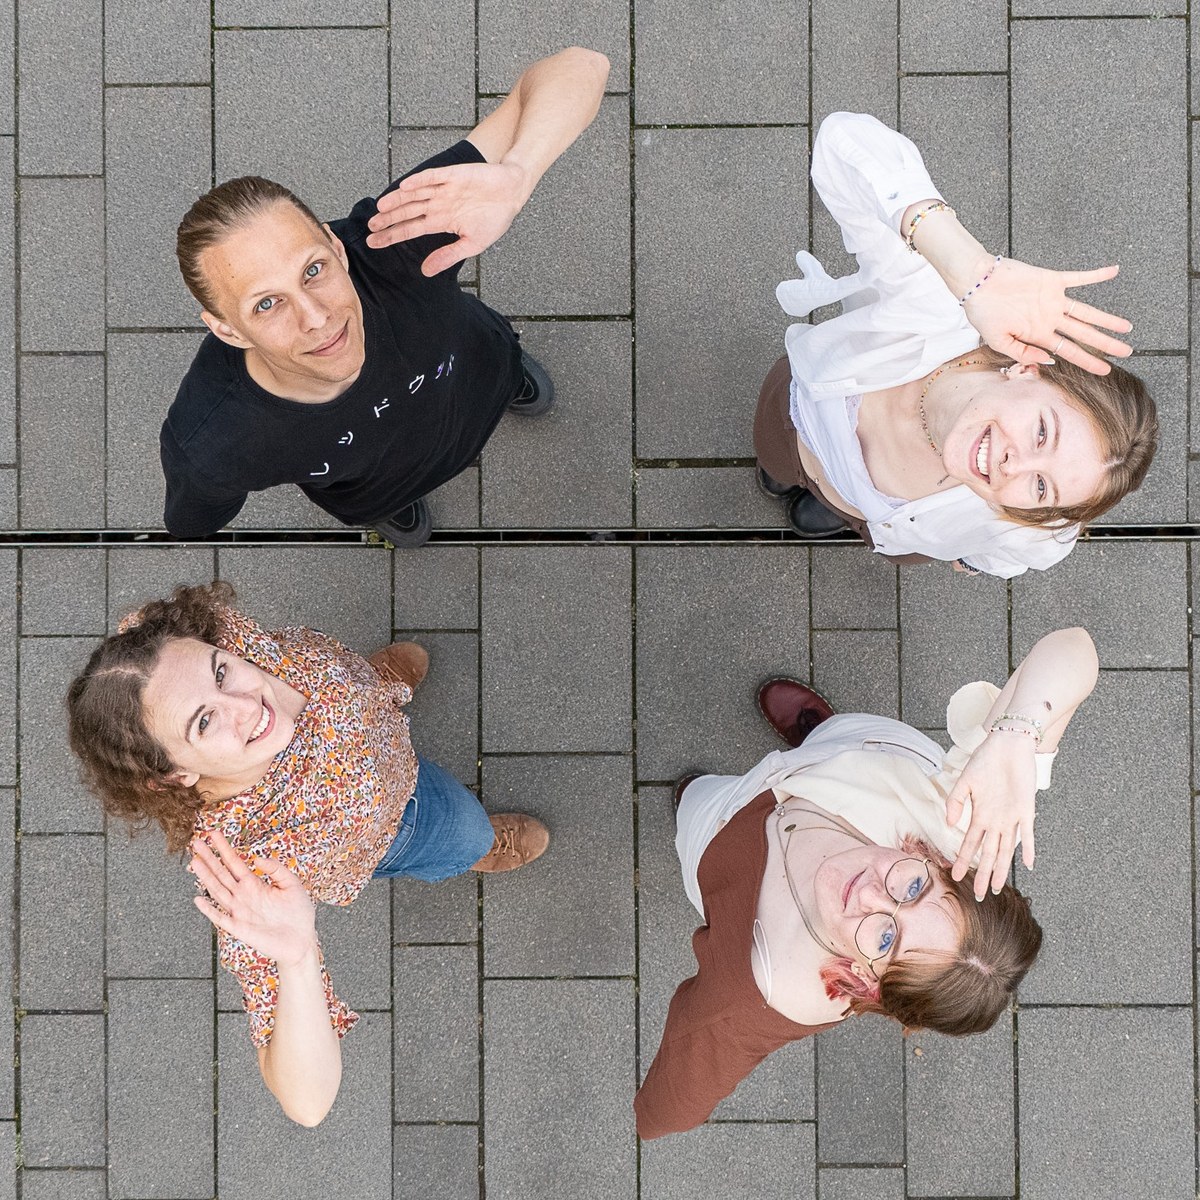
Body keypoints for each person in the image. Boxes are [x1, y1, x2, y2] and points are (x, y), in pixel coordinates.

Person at [66, 583, 549, 1126]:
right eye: (204, 721)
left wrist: (358, 691)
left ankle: (378, 685)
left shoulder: (178, 650)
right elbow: (307, 1103)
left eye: (222, 672)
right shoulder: (243, 866)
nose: (249, 706)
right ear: (174, 774)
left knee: (351, 683)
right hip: (401, 819)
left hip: (364, 712)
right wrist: (297, 956)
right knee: (463, 831)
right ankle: (474, 849)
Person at [634, 626, 1098, 1139]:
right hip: (864, 749)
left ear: (867, 979)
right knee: (839, 738)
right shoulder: (967, 826)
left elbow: (668, 1108)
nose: (872, 894)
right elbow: (1076, 650)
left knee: (701, 803)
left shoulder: (763, 990)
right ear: (942, 864)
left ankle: (696, 799)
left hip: (726, 829)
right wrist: (1015, 735)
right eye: (915, 888)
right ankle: (820, 734)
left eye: (886, 939)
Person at [161, 47, 610, 547]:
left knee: (496, 374)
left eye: (313, 269)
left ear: (337, 247)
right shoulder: (211, 441)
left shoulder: (390, 241)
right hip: (377, 488)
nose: (316, 317)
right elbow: (192, 522)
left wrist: (518, 173)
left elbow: (582, 66)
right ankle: (393, 508)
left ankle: (509, 382)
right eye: (266, 304)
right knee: (383, 495)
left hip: (479, 375)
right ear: (226, 329)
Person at [756, 112, 1157, 577]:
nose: (1014, 466)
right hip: (791, 423)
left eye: (1042, 488)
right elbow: (841, 142)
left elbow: (1024, 554)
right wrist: (967, 269)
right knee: (775, 461)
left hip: (879, 525)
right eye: (1042, 432)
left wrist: (970, 558)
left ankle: (838, 507)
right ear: (1029, 368)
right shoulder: (933, 307)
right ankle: (789, 474)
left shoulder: (1040, 533)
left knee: (846, 511)